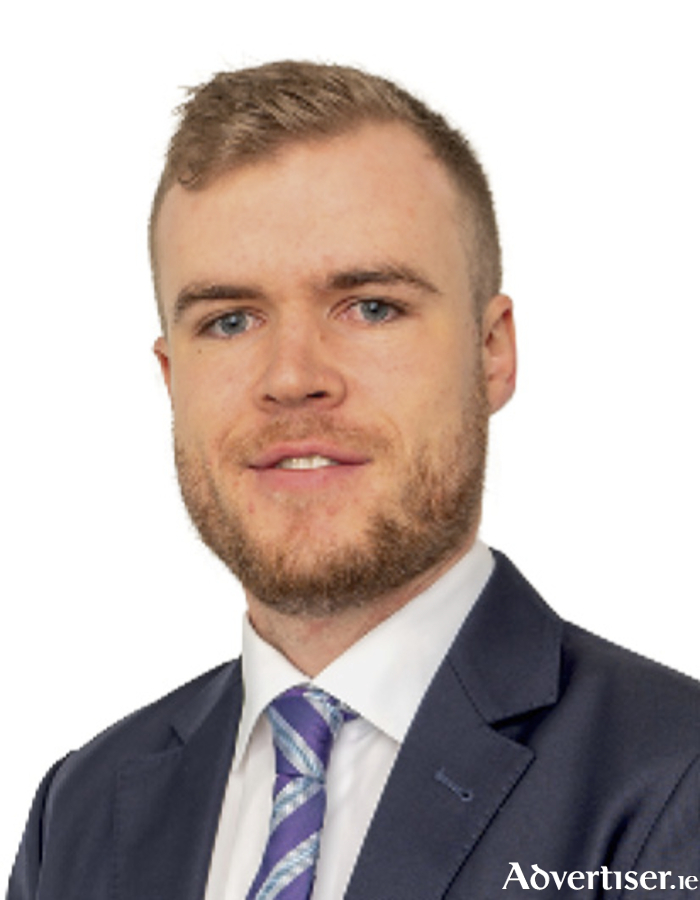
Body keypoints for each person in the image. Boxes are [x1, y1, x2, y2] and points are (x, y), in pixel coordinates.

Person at [7, 60, 700, 900]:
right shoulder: (79, 813)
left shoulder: (674, 779)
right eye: (229, 321)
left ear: (492, 353)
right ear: (169, 377)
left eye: (371, 306)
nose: (292, 376)